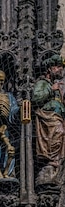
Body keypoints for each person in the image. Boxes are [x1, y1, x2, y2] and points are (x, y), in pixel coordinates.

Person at [31, 54, 65, 182]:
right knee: (58, 132)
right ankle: (50, 161)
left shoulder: (57, 86)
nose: (60, 69)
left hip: (57, 117)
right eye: (57, 66)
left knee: (61, 136)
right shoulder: (43, 83)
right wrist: (51, 89)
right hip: (48, 118)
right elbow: (36, 98)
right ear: (50, 69)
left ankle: (55, 161)